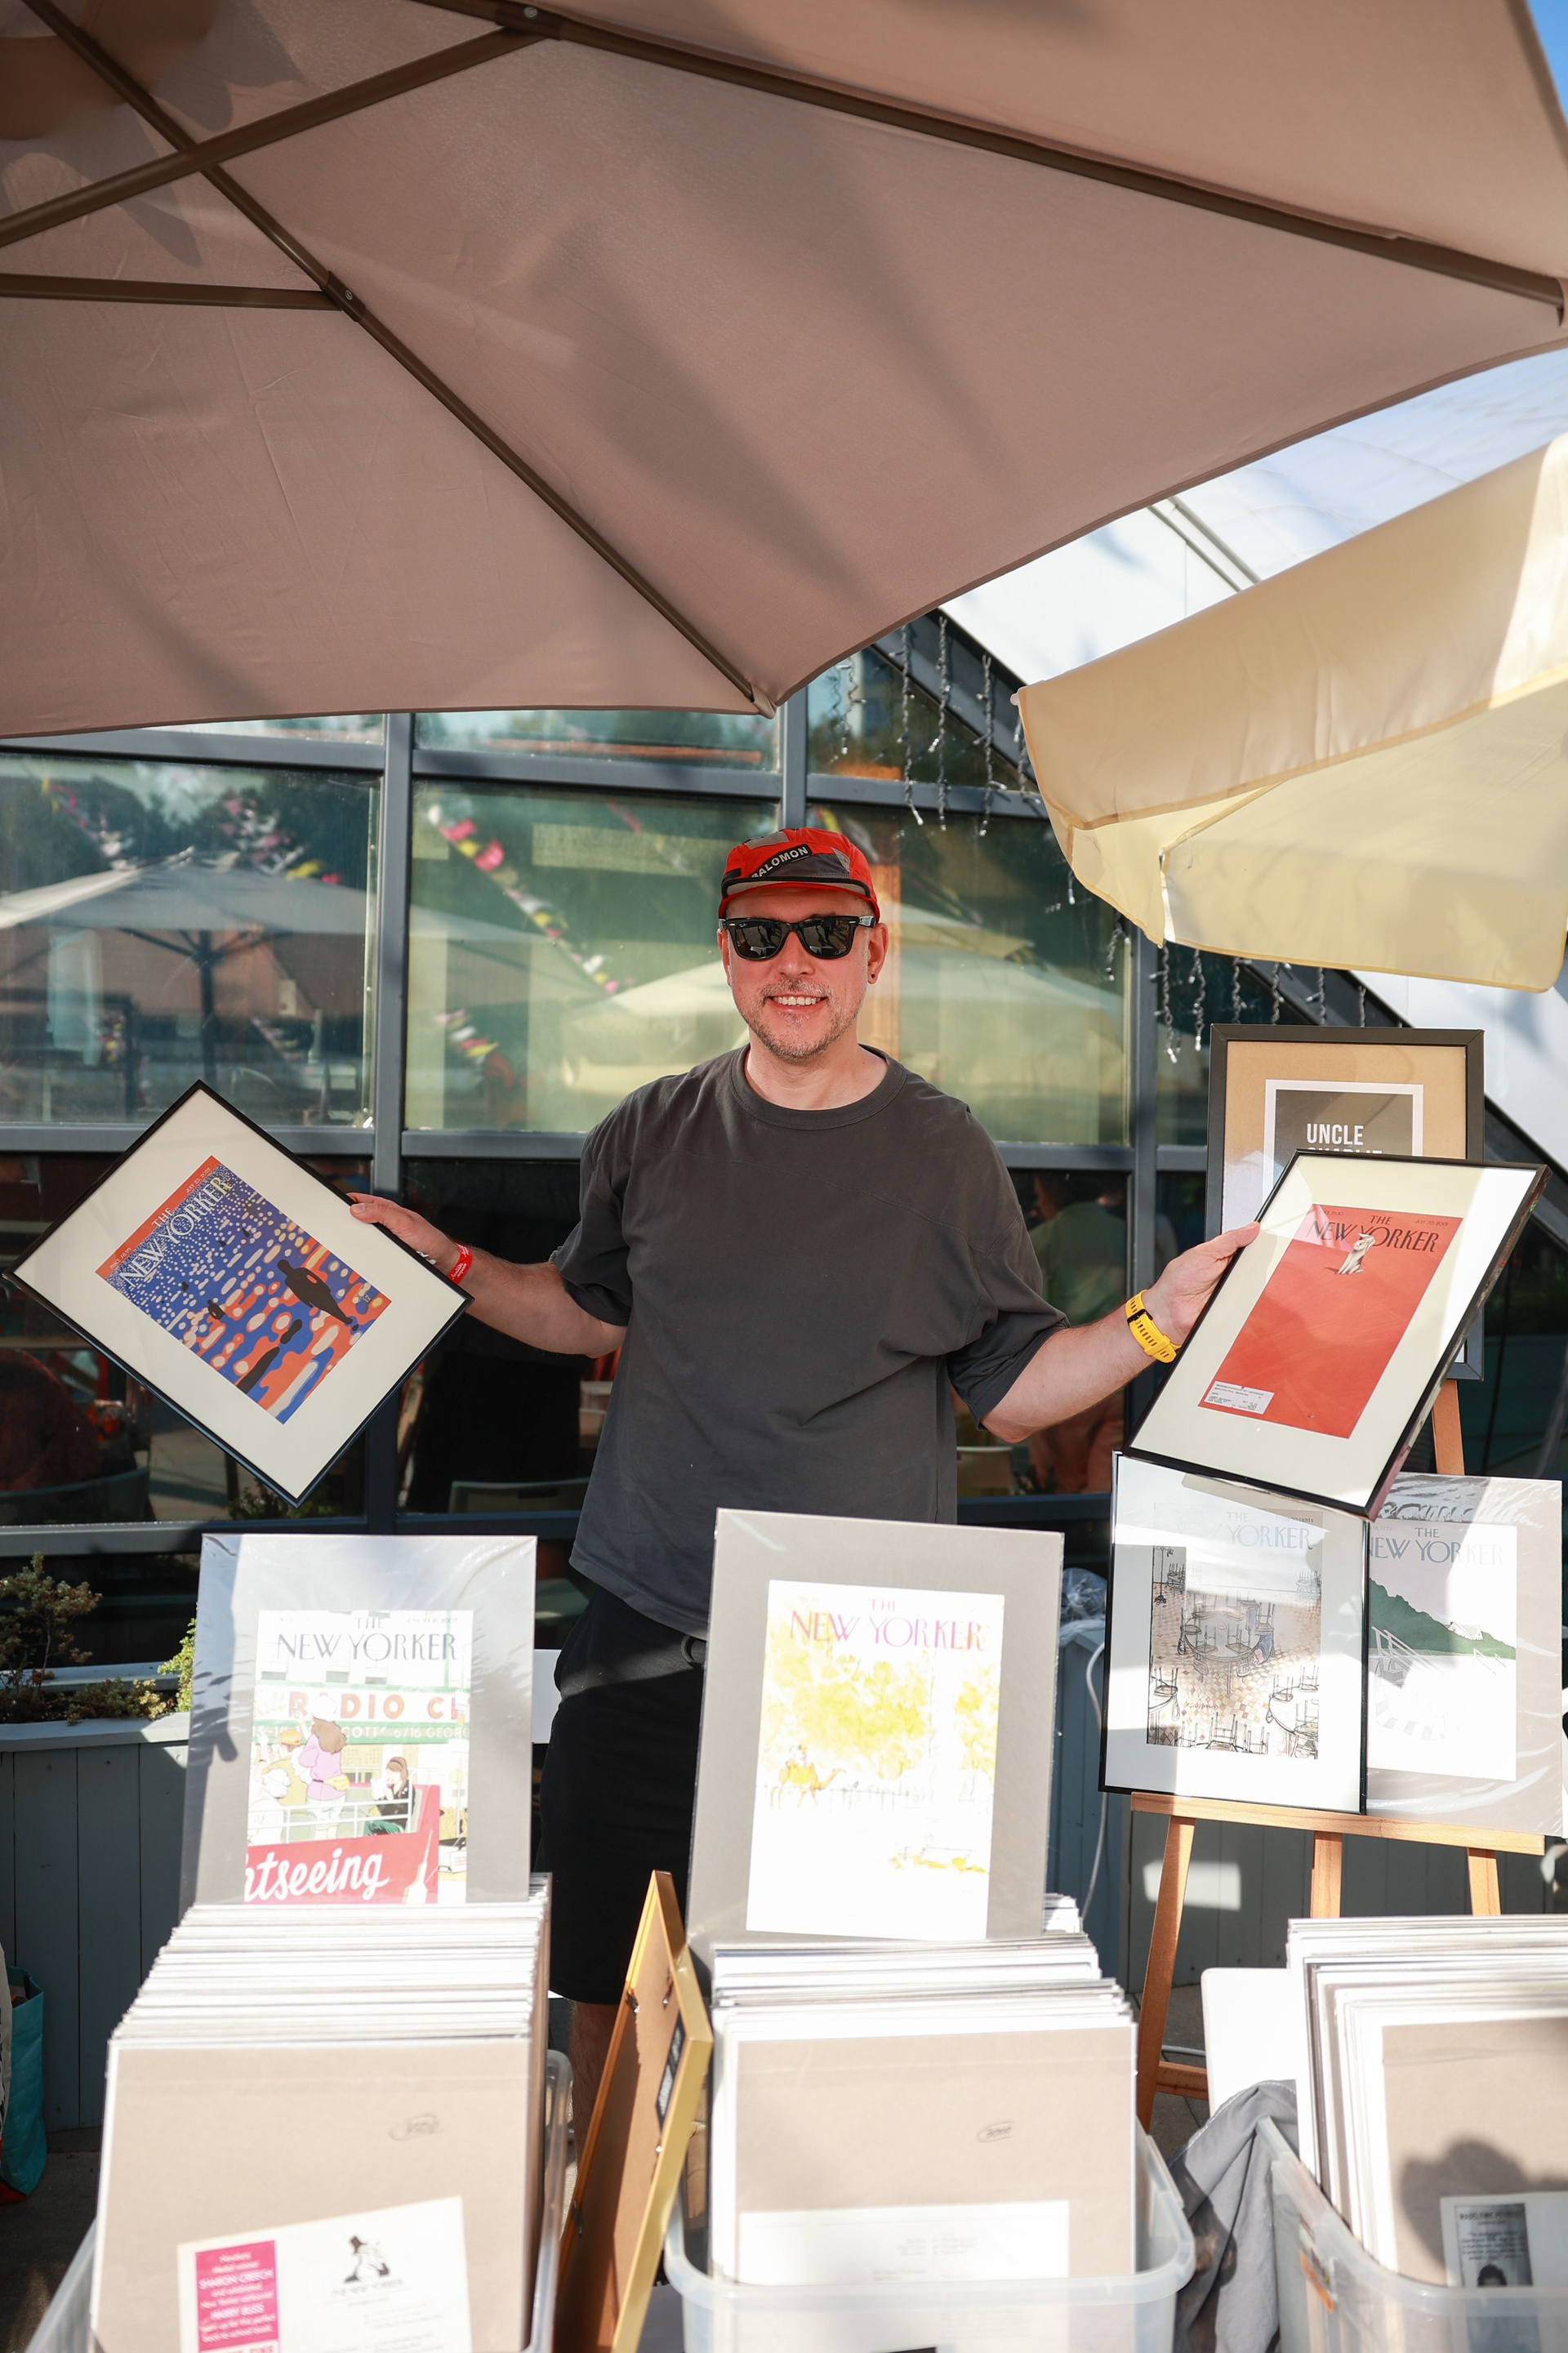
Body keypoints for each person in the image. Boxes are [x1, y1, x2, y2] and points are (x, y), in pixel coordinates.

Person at [350, 825, 1255, 2120]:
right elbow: (579, 1307)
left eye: (826, 933)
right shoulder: (650, 1131)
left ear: (874, 953)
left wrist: (1156, 1319)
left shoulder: (944, 1153)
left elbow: (1009, 1388)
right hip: (648, 1628)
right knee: (608, 1980)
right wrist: (447, 1263)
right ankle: (614, 2231)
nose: (794, 962)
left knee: (840, 1999)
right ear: (726, 952)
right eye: (762, 933)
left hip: (859, 1658)